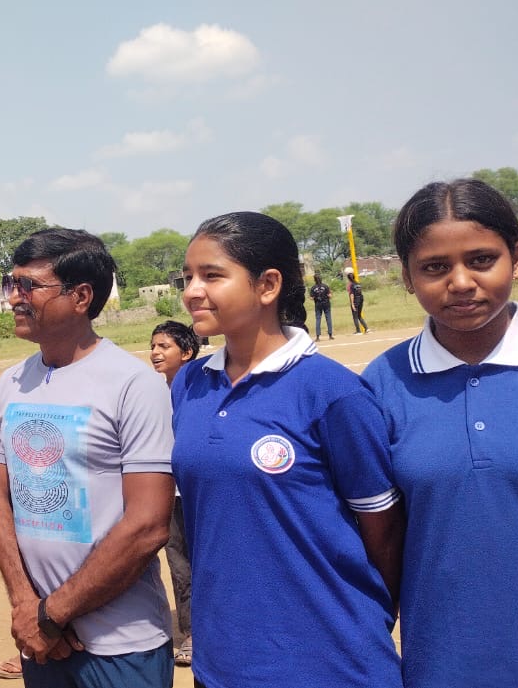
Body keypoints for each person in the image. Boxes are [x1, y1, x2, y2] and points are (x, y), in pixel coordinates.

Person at [172, 212, 403, 688]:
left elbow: (383, 531)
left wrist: (362, 618)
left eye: (212, 275)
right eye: (187, 277)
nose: (192, 291)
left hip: (327, 660)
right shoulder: (190, 384)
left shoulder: (332, 392)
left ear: (268, 285)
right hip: (222, 661)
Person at [362, 178, 518, 688]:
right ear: (407, 277)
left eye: (481, 259)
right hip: (443, 662)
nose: (461, 282)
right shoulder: (382, 384)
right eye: (434, 267)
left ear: (517, 259)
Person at [0, 228, 176, 688]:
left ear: (81, 296)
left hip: (121, 644)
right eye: (12, 284)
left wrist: (54, 612)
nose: (13, 298)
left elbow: (148, 525)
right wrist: (25, 605)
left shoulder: (133, 385)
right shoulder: (12, 384)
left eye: (28, 286)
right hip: (40, 639)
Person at [147, 320, 200, 668]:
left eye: (163, 346)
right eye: (153, 346)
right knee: (180, 566)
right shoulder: (152, 394)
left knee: (211, 561)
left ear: (187, 352)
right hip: (172, 494)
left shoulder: (203, 390)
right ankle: (192, 632)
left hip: (201, 491)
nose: (155, 353)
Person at [308, 274, 334, 341]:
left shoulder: (313, 288)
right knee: (328, 318)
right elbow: (330, 296)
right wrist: (330, 294)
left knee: (318, 319)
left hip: (318, 304)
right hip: (326, 304)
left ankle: (317, 337)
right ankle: (330, 335)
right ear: (321, 279)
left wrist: (313, 296)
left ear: (314, 280)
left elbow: (311, 298)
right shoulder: (325, 286)